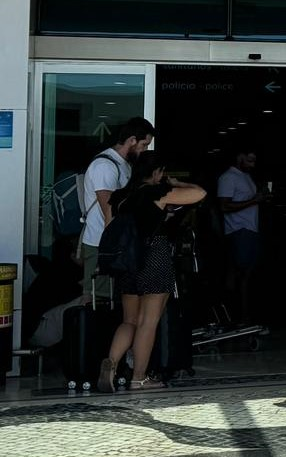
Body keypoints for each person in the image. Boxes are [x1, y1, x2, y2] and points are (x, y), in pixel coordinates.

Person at [95, 153, 206, 392]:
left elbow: (108, 228)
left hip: (126, 262)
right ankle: (139, 377)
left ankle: (112, 362)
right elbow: (200, 194)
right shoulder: (156, 193)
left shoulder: (119, 197)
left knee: (129, 320)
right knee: (148, 322)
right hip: (154, 255)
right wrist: (176, 184)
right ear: (157, 172)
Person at [80, 118, 156, 301]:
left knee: (112, 300)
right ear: (132, 140)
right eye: (144, 145)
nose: (144, 150)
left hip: (113, 244)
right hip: (103, 243)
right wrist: (113, 250)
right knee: (98, 300)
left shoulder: (123, 164)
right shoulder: (105, 166)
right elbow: (109, 209)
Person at [217, 147, 267, 322]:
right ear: (239, 157)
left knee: (247, 274)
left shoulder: (245, 176)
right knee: (239, 273)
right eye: (250, 159)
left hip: (250, 230)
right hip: (238, 231)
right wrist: (254, 200)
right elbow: (224, 206)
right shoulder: (228, 177)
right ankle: (236, 314)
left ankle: (244, 313)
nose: (253, 164)